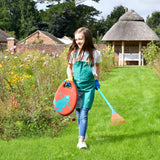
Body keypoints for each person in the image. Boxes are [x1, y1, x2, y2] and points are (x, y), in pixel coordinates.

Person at [66, 27, 101, 149]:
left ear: (87, 38)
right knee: (79, 112)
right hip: (76, 87)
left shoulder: (95, 53)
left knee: (84, 112)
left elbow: (97, 66)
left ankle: (81, 141)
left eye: (80, 39)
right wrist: (70, 77)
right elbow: (69, 67)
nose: (78, 42)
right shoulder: (73, 53)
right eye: (76, 39)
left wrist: (96, 80)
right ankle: (83, 132)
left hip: (89, 87)